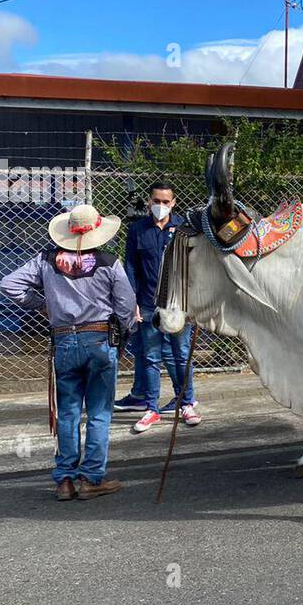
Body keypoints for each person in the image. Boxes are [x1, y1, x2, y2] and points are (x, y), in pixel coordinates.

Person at [1, 203, 136, 501]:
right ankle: (91, 478)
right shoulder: (109, 263)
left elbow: (9, 284)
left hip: (63, 340)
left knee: (68, 413)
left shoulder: (45, 260)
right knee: (99, 413)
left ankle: (64, 480)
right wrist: (126, 334)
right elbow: (126, 307)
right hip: (100, 340)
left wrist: (42, 304)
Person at [115, 181, 201, 433]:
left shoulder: (185, 229)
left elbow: (196, 268)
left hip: (179, 305)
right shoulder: (137, 230)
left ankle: (186, 403)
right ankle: (151, 409)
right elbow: (131, 266)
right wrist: (133, 303)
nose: (161, 206)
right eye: (156, 201)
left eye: (166, 202)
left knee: (181, 354)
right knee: (151, 357)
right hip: (148, 304)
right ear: (149, 201)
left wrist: (193, 304)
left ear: (173, 203)